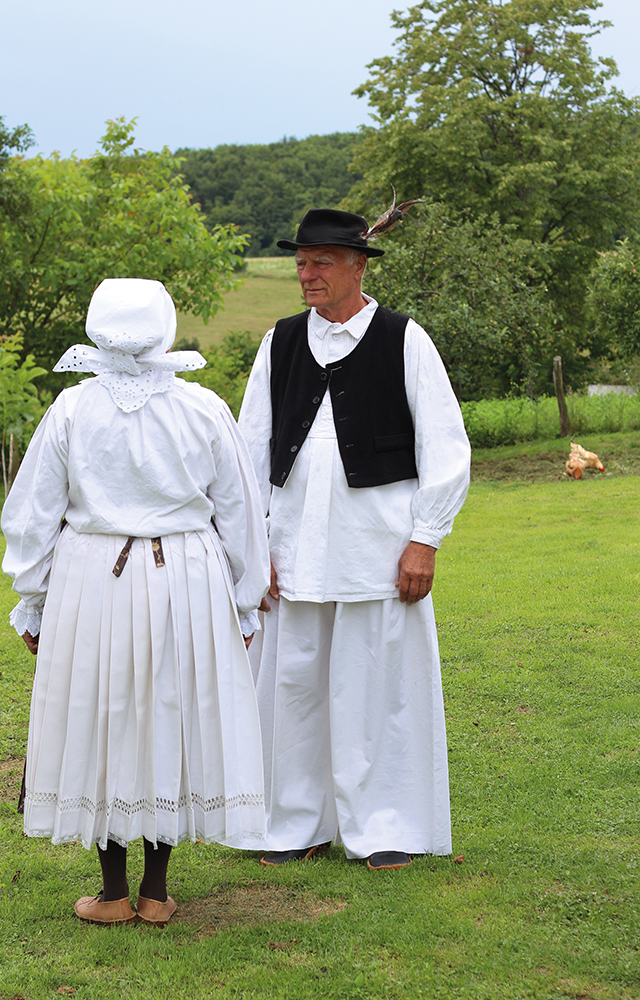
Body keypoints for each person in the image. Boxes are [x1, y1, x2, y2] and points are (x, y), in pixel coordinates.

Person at [2, 278, 270, 924]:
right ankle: (155, 892)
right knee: (170, 717)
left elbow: (33, 516)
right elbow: (241, 514)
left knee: (105, 719)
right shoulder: (201, 407)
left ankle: (112, 893)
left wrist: (32, 600)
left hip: (92, 577)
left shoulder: (72, 410)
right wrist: (241, 602)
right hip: (186, 574)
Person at [237, 209, 470, 870]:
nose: (307, 275)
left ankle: (385, 824)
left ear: (357, 266)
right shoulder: (279, 342)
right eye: (301, 262)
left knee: (378, 692)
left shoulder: (404, 339)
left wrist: (424, 538)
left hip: (379, 547)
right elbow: (247, 451)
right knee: (291, 688)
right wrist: (256, 547)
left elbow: (445, 448)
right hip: (292, 547)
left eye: (321, 263)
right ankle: (292, 824)